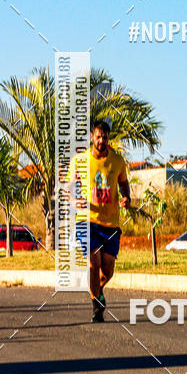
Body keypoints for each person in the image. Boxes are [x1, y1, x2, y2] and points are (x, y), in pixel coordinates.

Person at [69, 120, 130, 322]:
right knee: (93, 262)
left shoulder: (117, 161)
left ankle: (98, 289)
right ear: (92, 137)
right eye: (98, 136)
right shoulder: (79, 160)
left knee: (108, 270)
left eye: (105, 137)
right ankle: (96, 304)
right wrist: (73, 200)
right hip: (87, 220)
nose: (101, 140)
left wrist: (126, 198)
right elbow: (68, 187)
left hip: (111, 223)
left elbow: (124, 184)